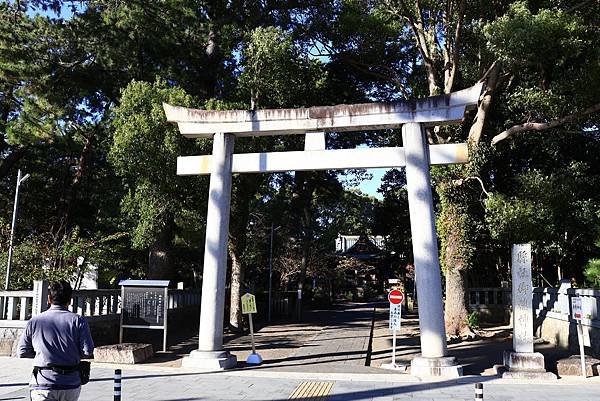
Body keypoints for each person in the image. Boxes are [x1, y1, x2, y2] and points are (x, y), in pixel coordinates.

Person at [18, 280, 94, 401]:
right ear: (70, 300)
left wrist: (42, 354)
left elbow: (22, 351)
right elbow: (88, 351)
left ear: (49, 299)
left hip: (42, 382)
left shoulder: (35, 321)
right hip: (70, 383)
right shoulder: (78, 320)